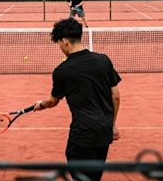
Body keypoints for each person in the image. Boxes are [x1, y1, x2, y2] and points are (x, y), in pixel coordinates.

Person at [34, 18, 121, 181]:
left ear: (65, 41)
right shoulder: (103, 60)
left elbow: (52, 101)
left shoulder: (62, 71)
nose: (60, 47)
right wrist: (112, 124)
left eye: (59, 43)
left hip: (82, 135)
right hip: (104, 132)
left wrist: (41, 104)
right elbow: (115, 96)